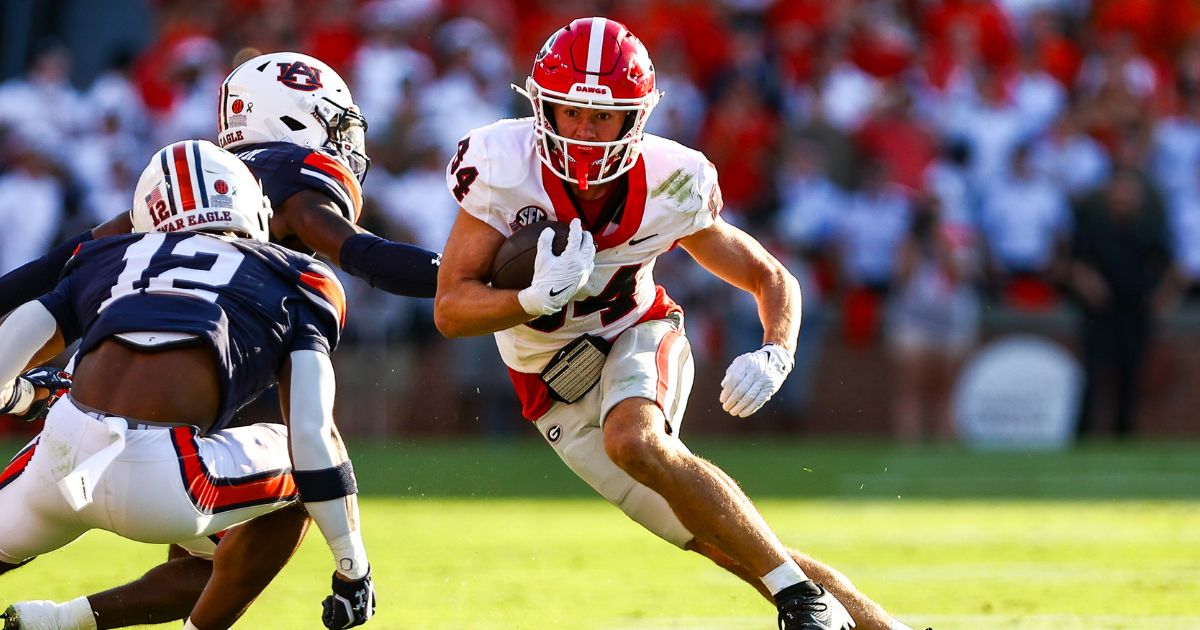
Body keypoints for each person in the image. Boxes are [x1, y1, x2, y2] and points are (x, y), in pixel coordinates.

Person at [434, 17, 918, 630]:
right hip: (550, 384)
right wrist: (532, 299)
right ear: (542, 109)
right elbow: (451, 310)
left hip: (636, 328)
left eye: (602, 117)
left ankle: (799, 605)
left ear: (635, 118)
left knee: (635, 440)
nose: (583, 132)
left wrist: (776, 349)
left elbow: (770, 276)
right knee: (744, 551)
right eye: (570, 113)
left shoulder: (671, 179)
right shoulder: (503, 165)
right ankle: (863, 619)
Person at [0, 52, 434, 629]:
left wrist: (24, 397)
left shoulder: (116, 250)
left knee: (199, 565)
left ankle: (51, 622)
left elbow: (51, 274)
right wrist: (353, 568)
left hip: (67, 443)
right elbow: (361, 261)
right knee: (302, 476)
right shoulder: (299, 262)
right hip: (180, 457)